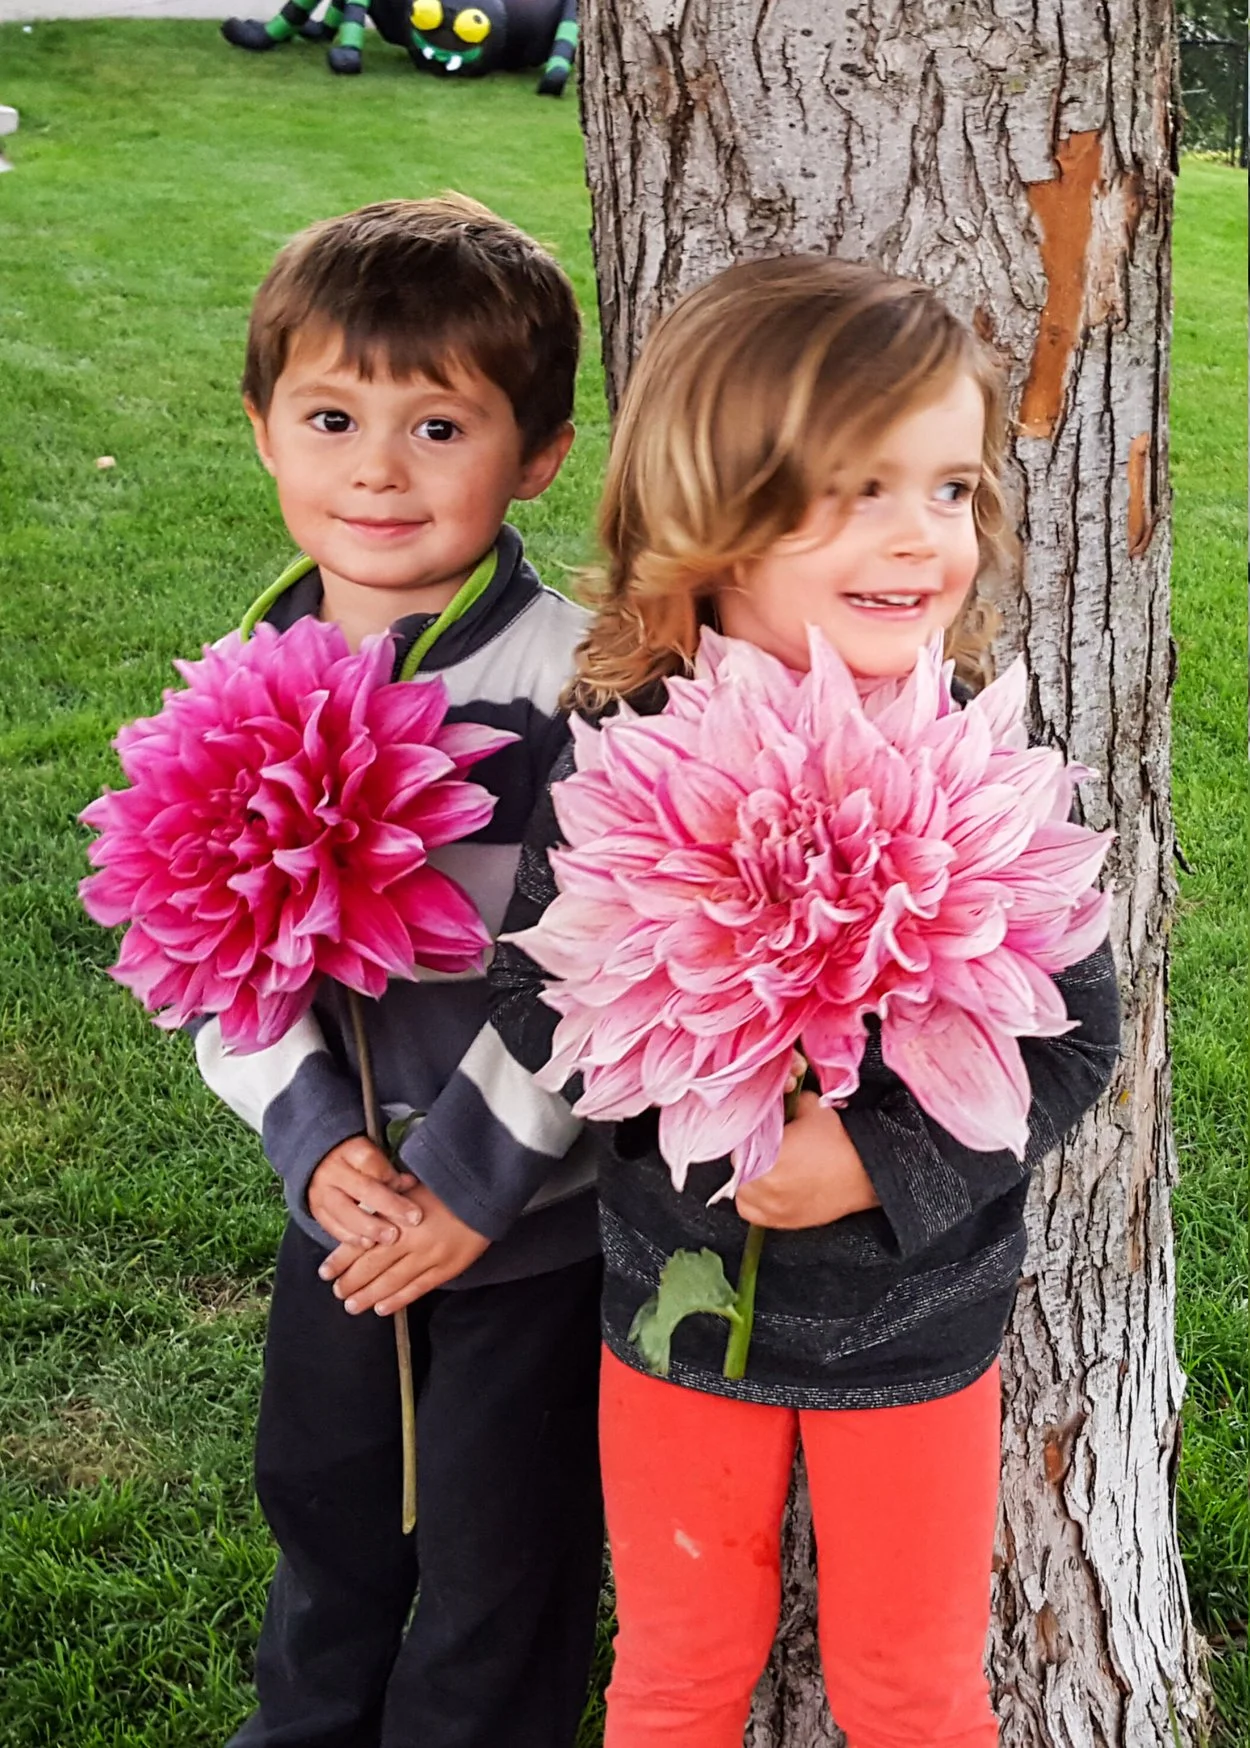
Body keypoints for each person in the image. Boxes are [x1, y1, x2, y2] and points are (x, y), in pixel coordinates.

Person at [489, 254, 1121, 1748]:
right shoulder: (620, 746)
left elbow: (1078, 1043)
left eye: (953, 491)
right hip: (675, 1326)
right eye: (858, 491)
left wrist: (874, 1160)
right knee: (676, 1672)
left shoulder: (986, 765)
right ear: (711, 515)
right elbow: (532, 995)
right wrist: (686, 1072)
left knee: (910, 1692)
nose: (923, 539)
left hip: (917, 1337)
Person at [201, 194, 606, 1747]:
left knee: (501, 1589)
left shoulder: (579, 682)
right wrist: (318, 1151)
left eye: (440, 425)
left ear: (541, 454)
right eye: (330, 416)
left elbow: (593, 962)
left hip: (529, 1239)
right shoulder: (237, 680)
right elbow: (207, 961)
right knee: (328, 1532)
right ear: (263, 433)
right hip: (347, 1228)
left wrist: (466, 1184)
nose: (376, 468)